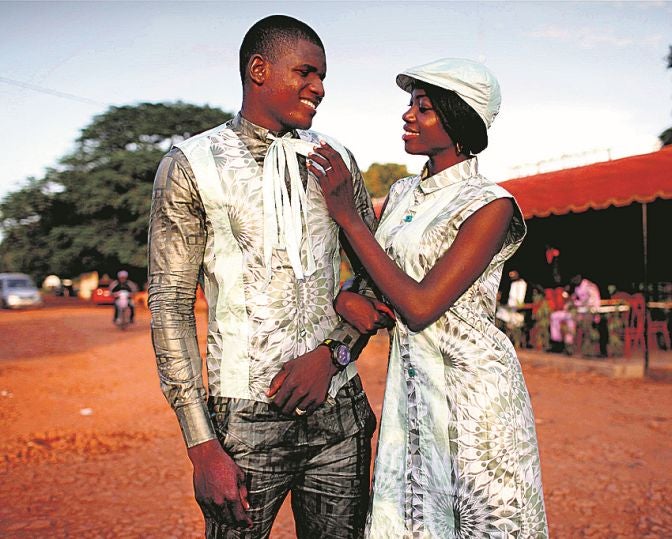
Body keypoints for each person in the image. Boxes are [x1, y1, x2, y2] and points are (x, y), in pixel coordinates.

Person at [147, 15, 392, 539]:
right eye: (306, 72)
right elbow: (168, 306)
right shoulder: (192, 164)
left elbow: (377, 274)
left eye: (323, 76)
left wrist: (335, 354)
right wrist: (202, 445)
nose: (319, 89)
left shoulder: (335, 159)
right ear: (258, 69)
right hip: (242, 420)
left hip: (340, 414)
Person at [311, 58, 548, 537]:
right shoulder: (400, 194)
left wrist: (349, 218)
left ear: (459, 119)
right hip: (414, 387)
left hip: (476, 395)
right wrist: (344, 294)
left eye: (424, 107)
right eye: (410, 105)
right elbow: (377, 277)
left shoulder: (491, 204)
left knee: (480, 522)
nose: (408, 116)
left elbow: (419, 307)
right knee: (414, 520)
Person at [550, 274, 607, 356]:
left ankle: (569, 345)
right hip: (577, 311)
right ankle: (556, 341)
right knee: (554, 316)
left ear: (579, 277)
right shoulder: (576, 287)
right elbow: (573, 299)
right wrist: (569, 304)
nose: (573, 280)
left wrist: (578, 304)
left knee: (571, 319)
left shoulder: (589, 286)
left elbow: (593, 302)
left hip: (588, 313)